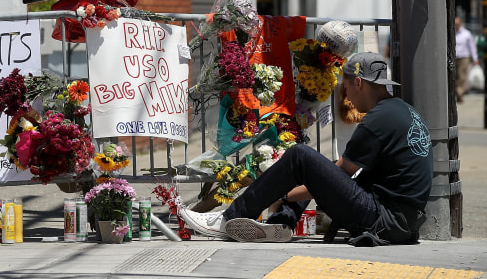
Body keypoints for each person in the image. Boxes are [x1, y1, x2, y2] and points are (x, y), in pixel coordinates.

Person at [179, 52, 433, 246]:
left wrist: (284, 195)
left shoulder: (378, 119)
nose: (347, 98)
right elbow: (337, 173)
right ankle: (281, 223)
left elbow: (342, 172)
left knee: (301, 156)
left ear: (359, 83)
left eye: (345, 89)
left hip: (382, 221)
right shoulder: (401, 110)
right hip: (402, 223)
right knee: (320, 166)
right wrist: (290, 195)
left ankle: (227, 220)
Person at [455, 16, 479, 102]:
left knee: (461, 76)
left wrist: (475, 58)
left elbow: (472, 46)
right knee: (455, 76)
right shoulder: (451, 33)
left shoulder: (466, 34)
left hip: (464, 57)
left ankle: (459, 94)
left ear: (460, 24)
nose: (456, 25)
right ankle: (457, 93)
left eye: (457, 24)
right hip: (454, 57)